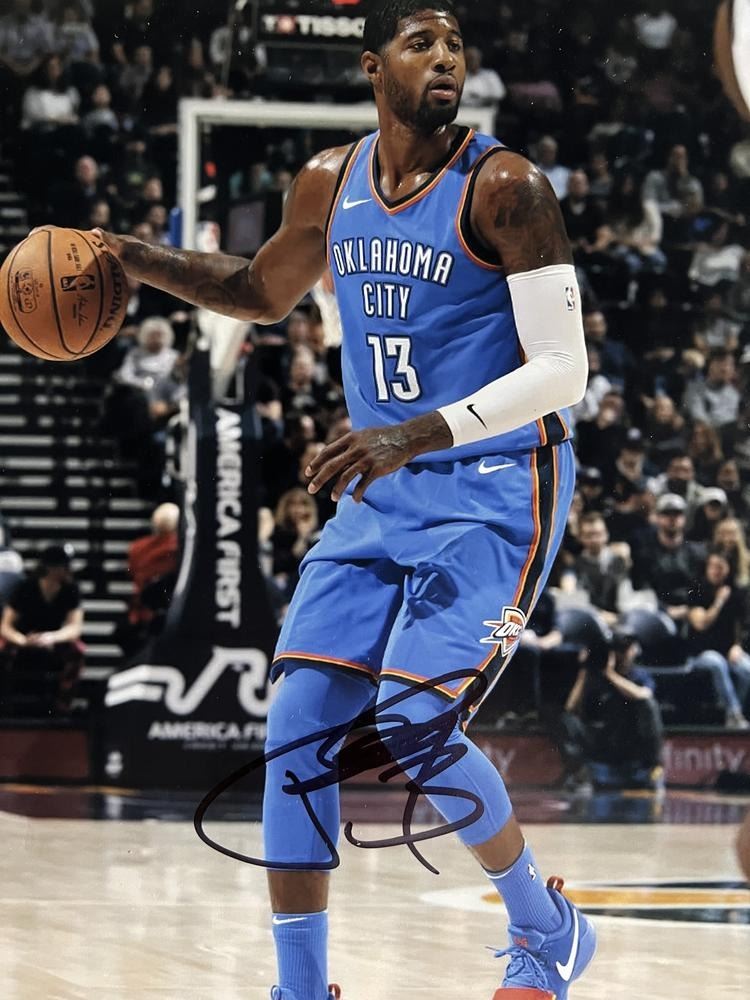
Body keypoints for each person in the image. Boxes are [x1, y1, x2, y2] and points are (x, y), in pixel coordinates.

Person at [78, 3, 593, 997]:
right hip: (383, 490)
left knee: (414, 722)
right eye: (421, 43)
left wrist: (413, 432)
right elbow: (258, 290)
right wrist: (135, 258)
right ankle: (301, 987)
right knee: (298, 729)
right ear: (372, 66)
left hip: (496, 488)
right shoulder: (328, 181)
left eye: (455, 46)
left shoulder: (508, 189)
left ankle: (547, 927)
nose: (444, 60)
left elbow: (565, 369)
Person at [559, 626, 664, 790]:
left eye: (625, 649)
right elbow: (571, 708)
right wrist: (584, 671)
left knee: (649, 705)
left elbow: (644, 695)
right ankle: (580, 774)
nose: (622, 654)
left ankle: (654, 769)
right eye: (618, 649)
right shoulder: (595, 675)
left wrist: (611, 675)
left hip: (629, 739)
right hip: (603, 737)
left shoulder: (639, 675)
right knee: (566, 719)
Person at [0, 544, 84, 714]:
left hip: (53, 639)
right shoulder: (26, 587)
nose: (68, 570)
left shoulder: (71, 589)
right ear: (51, 567)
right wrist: (23, 641)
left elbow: (75, 627)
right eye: (64, 566)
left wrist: (51, 637)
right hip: (23, 638)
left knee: (77, 652)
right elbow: (5, 626)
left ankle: (62, 705)